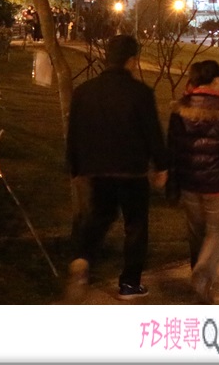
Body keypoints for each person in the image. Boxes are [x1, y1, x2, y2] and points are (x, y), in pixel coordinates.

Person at [66, 35, 169, 301]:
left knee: (100, 217)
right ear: (132, 61)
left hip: (96, 169)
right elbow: (152, 133)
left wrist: (75, 166)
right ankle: (129, 284)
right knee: (135, 225)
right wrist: (161, 166)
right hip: (131, 171)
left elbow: (74, 132)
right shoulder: (140, 93)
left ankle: (82, 258)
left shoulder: (84, 91)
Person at [168, 60, 219, 303]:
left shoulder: (179, 109)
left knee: (196, 233)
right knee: (218, 231)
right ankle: (203, 275)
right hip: (217, 186)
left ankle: (200, 279)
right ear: (215, 80)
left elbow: (171, 149)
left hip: (189, 183)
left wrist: (173, 183)